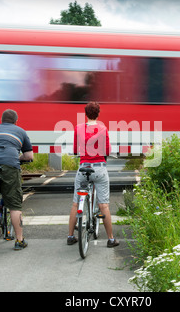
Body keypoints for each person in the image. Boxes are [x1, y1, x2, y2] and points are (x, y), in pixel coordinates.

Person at [67, 101, 119, 248]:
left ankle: (70, 236)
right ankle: (110, 239)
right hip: (100, 169)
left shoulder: (78, 128)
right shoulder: (103, 129)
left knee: (75, 203)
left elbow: (76, 150)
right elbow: (107, 151)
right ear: (98, 114)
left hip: (83, 169)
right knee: (104, 205)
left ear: (85, 114)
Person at [0, 109, 33, 250]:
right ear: (16, 121)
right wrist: (18, 158)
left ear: (1, 120)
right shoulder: (20, 131)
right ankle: (19, 240)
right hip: (9, 165)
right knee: (15, 205)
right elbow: (29, 156)